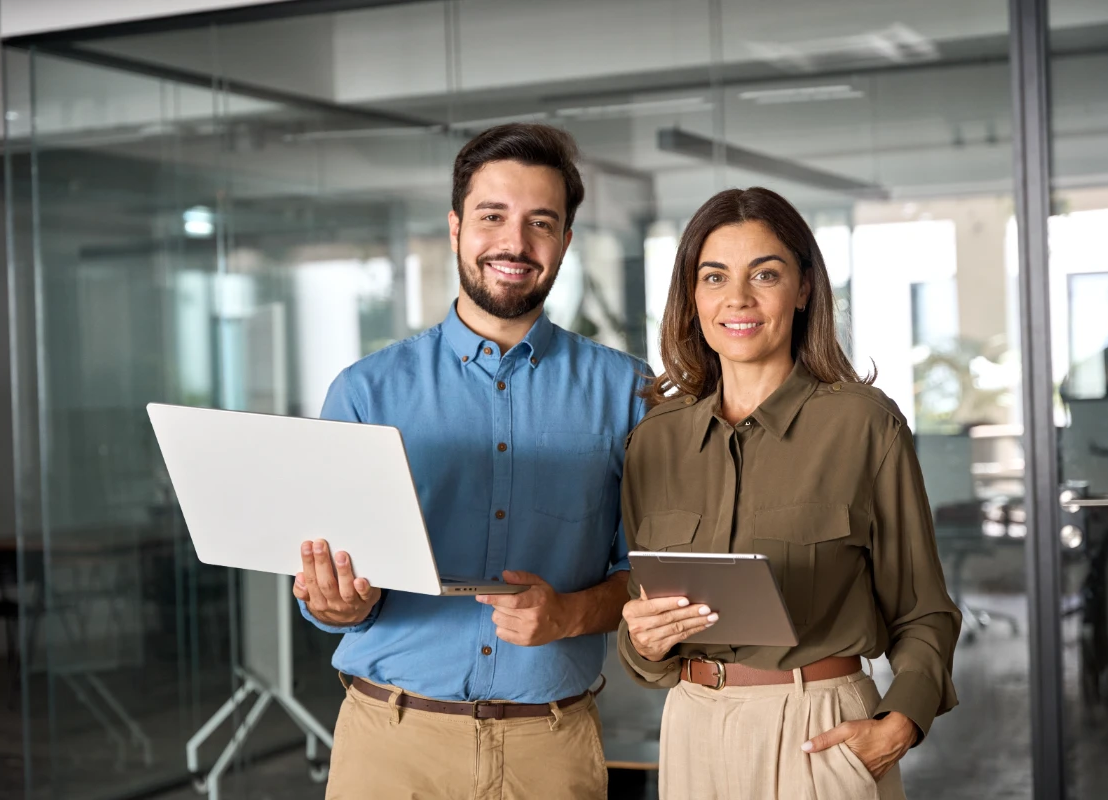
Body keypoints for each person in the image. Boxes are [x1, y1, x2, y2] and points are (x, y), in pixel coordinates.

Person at [293, 123, 647, 799]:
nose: (515, 243)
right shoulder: (366, 392)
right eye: (493, 217)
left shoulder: (628, 393)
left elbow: (652, 575)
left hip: (552, 750)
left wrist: (569, 615)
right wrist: (335, 602)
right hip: (391, 748)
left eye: (540, 222)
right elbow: (325, 588)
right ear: (456, 228)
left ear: (566, 243)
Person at [617, 187, 961, 799]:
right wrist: (642, 642)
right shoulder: (654, 440)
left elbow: (924, 610)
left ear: (803, 289)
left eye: (765, 274)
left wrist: (900, 721)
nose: (738, 299)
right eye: (715, 276)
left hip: (819, 730)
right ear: (692, 296)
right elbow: (648, 631)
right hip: (692, 725)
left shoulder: (863, 425)